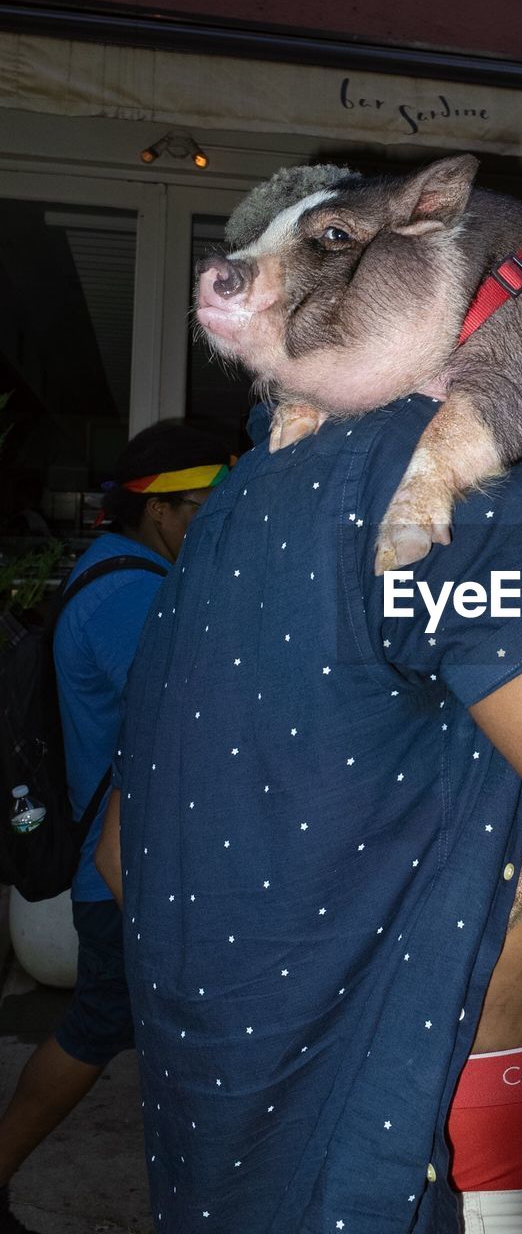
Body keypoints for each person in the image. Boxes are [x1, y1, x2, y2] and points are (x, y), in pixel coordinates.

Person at [96, 395, 522, 1233]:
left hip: (247, 1138)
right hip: (465, 1120)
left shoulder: (219, 522)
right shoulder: (441, 492)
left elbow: (122, 855)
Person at [0, 423, 232, 1234]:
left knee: (122, 1035)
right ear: (161, 513)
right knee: (101, 1032)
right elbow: (188, 733)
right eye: (205, 508)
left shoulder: (112, 577)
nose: (217, 523)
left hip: (133, 872)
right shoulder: (134, 597)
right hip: (129, 876)